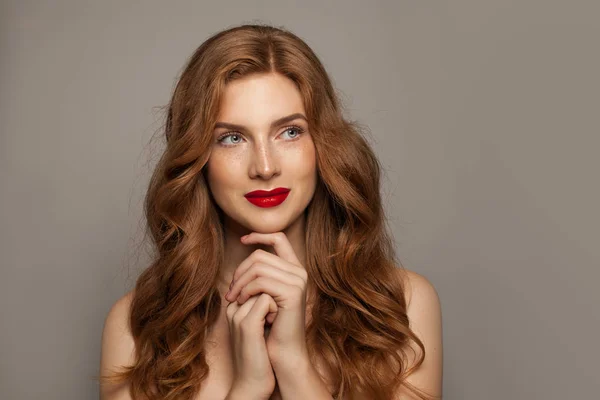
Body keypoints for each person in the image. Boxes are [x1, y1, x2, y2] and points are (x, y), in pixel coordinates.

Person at [98, 23, 442, 400]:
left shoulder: (401, 306)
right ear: (199, 159)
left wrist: (292, 363)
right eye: (232, 138)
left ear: (323, 144)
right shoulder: (136, 326)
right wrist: (248, 388)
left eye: (290, 132)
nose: (264, 167)